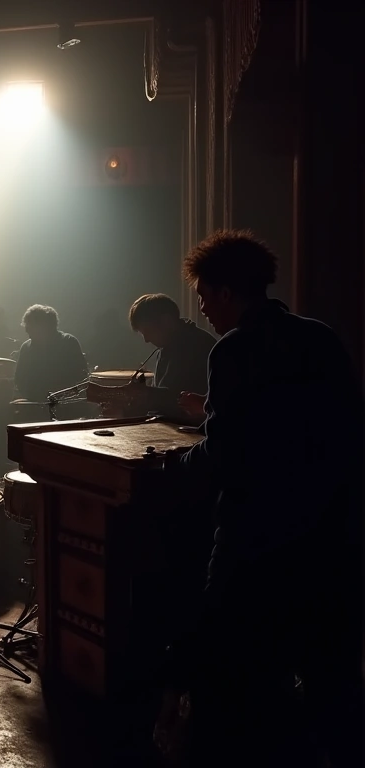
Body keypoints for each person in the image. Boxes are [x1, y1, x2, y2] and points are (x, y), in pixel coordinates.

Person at [166, 230, 362, 768]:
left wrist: (178, 466)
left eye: (205, 296)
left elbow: (227, 450)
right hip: (329, 527)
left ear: (227, 292)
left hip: (255, 530)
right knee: (324, 671)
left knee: (230, 665)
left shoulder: (234, 348)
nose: (202, 308)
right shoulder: (319, 336)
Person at [129, 293, 217, 421]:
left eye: (148, 331)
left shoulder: (198, 345)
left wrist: (144, 394)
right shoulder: (166, 347)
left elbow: (182, 401)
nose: (147, 340)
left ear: (167, 321)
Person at [14, 305, 88, 401]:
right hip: (34, 401)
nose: (28, 332)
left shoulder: (68, 342)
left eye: (30, 328)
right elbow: (19, 378)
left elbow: (80, 377)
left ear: (46, 327)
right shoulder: (26, 347)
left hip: (65, 402)